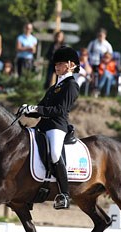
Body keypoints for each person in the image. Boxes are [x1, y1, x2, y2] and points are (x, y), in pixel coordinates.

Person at [19, 46, 80, 210]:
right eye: (56, 64)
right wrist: (27, 110)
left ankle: (64, 194)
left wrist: (37, 110)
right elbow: (40, 108)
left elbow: (60, 110)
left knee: (54, 153)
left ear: (69, 65)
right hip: (43, 125)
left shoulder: (71, 86)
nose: (56, 67)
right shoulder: (53, 87)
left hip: (57, 126)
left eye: (60, 64)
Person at [87, 28, 113, 95]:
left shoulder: (107, 45)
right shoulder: (93, 43)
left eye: (102, 35)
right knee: (93, 76)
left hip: (102, 65)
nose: (100, 37)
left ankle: (97, 90)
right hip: (93, 63)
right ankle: (93, 90)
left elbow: (110, 56)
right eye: (99, 35)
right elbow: (88, 53)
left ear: (105, 36)